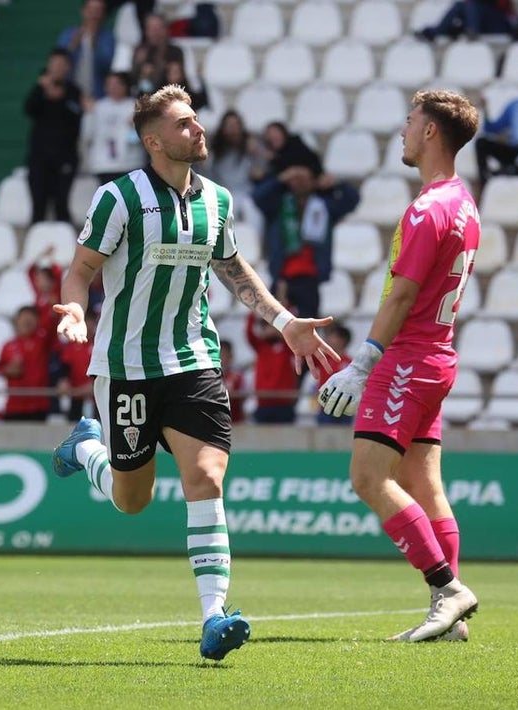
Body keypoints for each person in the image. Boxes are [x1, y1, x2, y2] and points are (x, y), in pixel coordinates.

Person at [50, 84, 339, 662]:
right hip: (127, 366)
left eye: (196, 119)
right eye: (184, 124)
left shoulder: (218, 200)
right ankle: (87, 448)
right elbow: (80, 269)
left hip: (194, 361)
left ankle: (213, 615)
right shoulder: (119, 198)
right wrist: (76, 308)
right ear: (153, 141)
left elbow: (232, 268)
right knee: (132, 499)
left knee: (206, 476)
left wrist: (284, 322)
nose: (198, 129)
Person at [318, 90, 482, 642]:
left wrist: (363, 363)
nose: (403, 131)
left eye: (411, 122)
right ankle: (452, 615)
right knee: (425, 484)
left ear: (432, 132)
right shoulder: (463, 203)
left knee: (368, 478)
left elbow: (402, 295)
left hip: (407, 359)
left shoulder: (428, 207)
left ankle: (448, 589)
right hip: (438, 356)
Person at [252, 166, 360, 320]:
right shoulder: (278, 206)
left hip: (310, 277)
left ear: (314, 181)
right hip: (282, 275)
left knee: (308, 326)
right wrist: (278, 179)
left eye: (304, 179)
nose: (300, 183)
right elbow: (258, 197)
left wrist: (337, 183)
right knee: (275, 327)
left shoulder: (324, 206)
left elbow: (353, 200)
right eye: (295, 178)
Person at [24, 48, 83, 224]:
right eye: (54, 64)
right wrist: (43, 89)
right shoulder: (39, 89)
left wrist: (61, 99)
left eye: (61, 64)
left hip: (65, 155)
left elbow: (76, 118)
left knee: (61, 205)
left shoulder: (73, 91)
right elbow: (28, 109)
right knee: (38, 206)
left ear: (68, 67)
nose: (57, 68)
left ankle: (65, 246)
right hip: (39, 156)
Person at [0, 306, 52, 422]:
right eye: (24, 319)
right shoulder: (8, 346)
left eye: (30, 319)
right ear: (17, 321)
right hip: (14, 405)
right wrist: (9, 370)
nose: (27, 322)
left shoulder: (43, 341)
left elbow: (51, 324)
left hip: (38, 405)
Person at [57, 0, 117, 103]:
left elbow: (108, 67)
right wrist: (72, 46)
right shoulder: (68, 35)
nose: (94, 14)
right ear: (83, 11)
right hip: (70, 96)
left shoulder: (108, 38)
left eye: (98, 10)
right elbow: (58, 63)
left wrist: (95, 46)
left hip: (97, 97)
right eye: (91, 10)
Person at [245, 309, 299, 424]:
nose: (269, 329)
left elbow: (292, 330)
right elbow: (249, 332)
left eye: (272, 326)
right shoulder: (260, 346)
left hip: (284, 404)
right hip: (263, 404)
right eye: (266, 326)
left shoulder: (287, 347)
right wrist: (252, 313)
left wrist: (283, 310)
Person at [314, 323, 352, 426]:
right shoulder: (323, 359)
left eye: (333, 336)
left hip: (344, 408)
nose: (328, 339)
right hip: (326, 406)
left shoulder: (350, 362)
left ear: (342, 340)